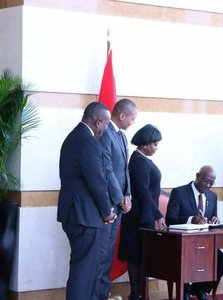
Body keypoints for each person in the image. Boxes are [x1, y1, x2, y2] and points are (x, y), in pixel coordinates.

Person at [57, 102, 116, 300]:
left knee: (81, 270)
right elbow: (97, 181)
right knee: (85, 273)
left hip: (73, 213)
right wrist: (107, 211)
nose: (107, 129)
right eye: (107, 124)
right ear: (98, 122)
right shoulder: (89, 142)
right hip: (86, 216)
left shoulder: (72, 137)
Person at [166, 166, 223, 300]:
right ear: (197, 176)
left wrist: (215, 220)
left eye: (211, 183)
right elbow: (170, 220)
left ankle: (201, 289)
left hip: (206, 244)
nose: (208, 185)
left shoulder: (212, 196)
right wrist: (191, 219)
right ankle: (185, 290)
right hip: (184, 245)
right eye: (205, 181)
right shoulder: (179, 192)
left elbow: (212, 221)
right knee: (188, 261)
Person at [119, 124, 166, 300]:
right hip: (137, 218)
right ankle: (136, 294)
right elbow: (142, 191)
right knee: (135, 256)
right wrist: (158, 214)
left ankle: (139, 293)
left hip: (143, 217)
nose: (156, 148)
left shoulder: (142, 159)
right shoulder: (138, 160)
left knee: (141, 257)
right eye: (155, 144)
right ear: (145, 143)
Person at [96, 99, 137, 299]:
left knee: (108, 254)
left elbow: (124, 169)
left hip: (119, 204)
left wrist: (128, 194)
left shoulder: (121, 136)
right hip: (107, 204)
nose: (133, 122)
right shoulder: (105, 133)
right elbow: (108, 170)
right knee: (101, 254)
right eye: (132, 118)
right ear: (122, 116)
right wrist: (119, 198)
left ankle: (103, 294)